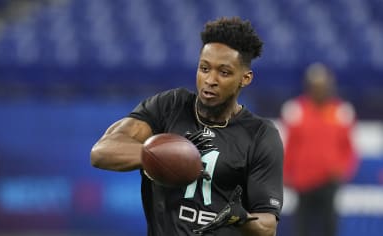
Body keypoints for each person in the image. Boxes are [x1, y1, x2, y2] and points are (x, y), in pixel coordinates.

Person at [91, 17, 283, 236]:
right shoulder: (170, 106)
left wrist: (240, 218)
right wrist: (160, 156)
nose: (210, 79)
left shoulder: (260, 134)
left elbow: (268, 226)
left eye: (224, 72)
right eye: (204, 68)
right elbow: (101, 152)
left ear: (245, 78)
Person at [280, 63, 358, 236]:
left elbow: (349, 148)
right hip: (303, 180)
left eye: (323, 85)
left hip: (329, 180)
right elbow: (290, 146)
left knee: (328, 226)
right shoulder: (296, 110)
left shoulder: (341, 111)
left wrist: (343, 169)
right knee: (302, 227)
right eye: (316, 86)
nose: (319, 90)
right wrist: (286, 172)